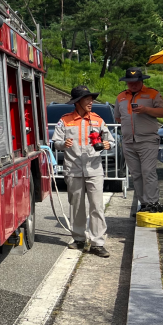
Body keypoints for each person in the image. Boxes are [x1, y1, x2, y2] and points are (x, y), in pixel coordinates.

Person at [53, 85, 115, 258]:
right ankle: (79, 239)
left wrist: (108, 144)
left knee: (97, 206)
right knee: (77, 206)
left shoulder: (98, 120)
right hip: (73, 169)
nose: (91, 102)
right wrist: (62, 144)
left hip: (94, 170)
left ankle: (97, 243)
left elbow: (111, 140)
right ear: (78, 102)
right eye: (87, 99)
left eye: (91, 99)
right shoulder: (64, 120)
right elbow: (55, 141)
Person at [112, 67, 163, 213]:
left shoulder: (152, 94)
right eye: (129, 82)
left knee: (148, 171)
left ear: (142, 81)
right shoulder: (121, 97)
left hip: (148, 139)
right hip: (128, 141)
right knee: (136, 174)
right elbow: (117, 116)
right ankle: (143, 203)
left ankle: (153, 203)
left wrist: (146, 110)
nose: (133, 85)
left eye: (136, 81)